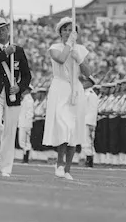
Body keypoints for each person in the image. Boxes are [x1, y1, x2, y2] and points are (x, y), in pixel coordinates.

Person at [42, 17, 92, 180]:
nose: (68, 32)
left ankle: (68, 169)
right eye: (65, 29)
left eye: (71, 29)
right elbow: (62, 59)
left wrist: (79, 59)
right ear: (60, 31)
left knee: (74, 129)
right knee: (63, 127)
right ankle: (59, 163)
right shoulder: (54, 48)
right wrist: (69, 45)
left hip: (76, 88)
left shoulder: (81, 49)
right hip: (60, 87)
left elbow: (88, 72)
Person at [0, 17, 32, 178]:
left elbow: (27, 76)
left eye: (4, 29)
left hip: (12, 95)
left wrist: (20, 87)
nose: (1, 32)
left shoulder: (19, 50)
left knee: (10, 133)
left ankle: (6, 166)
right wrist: (5, 53)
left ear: (8, 30)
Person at [81, 75, 100, 167]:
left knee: (88, 141)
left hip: (88, 122)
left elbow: (92, 110)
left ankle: (90, 160)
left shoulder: (92, 95)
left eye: (85, 82)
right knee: (84, 141)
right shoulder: (84, 94)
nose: (83, 83)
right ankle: (86, 159)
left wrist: (90, 123)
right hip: (83, 121)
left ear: (90, 83)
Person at [18, 88, 34, 164]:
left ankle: (26, 159)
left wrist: (28, 124)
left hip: (26, 123)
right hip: (22, 123)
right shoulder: (24, 99)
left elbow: (30, 113)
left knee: (26, 142)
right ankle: (24, 158)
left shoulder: (29, 100)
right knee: (22, 141)